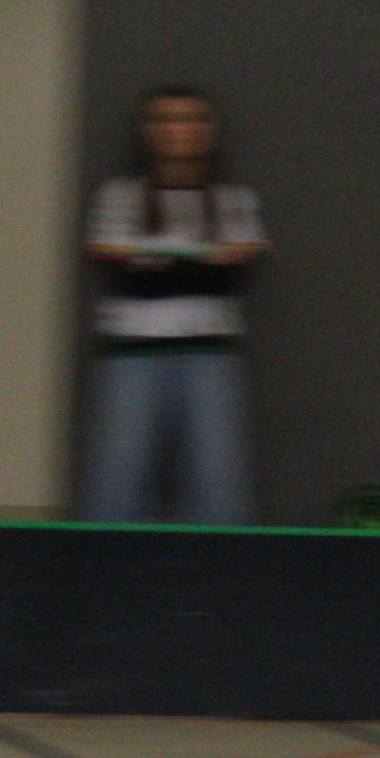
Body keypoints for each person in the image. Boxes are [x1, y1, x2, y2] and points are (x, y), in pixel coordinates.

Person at [80, 84, 269, 525]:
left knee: (220, 491)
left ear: (208, 131)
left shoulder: (233, 200)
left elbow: (229, 274)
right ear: (146, 132)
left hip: (210, 355)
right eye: (164, 120)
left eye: (190, 119)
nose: (177, 130)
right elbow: (123, 272)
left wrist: (157, 259)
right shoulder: (117, 197)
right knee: (115, 486)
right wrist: (202, 258)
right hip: (130, 356)